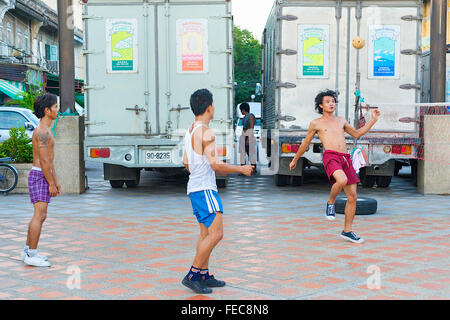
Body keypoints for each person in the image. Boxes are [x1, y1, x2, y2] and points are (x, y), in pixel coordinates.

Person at [182, 89, 253, 294]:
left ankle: (203, 275)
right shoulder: (207, 132)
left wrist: (197, 173)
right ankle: (193, 275)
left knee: (206, 234)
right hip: (205, 189)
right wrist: (241, 168)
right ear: (209, 107)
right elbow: (215, 165)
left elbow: (185, 161)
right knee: (217, 234)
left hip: (196, 188)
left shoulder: (191, 129)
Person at [289, 89, 380, 244]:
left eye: (333, 101)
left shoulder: (341, 120)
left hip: (345, 158)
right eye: (328, 102)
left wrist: (373, 120)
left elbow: (357, 134)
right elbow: (306, 143)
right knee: (342, 180)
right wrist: (295, 159)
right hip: (331, 156)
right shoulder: (316, 123)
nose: (331, 104)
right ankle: (331, 202)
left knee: (353, 197)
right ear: (321, 105)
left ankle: (347, 231)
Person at [22, 94, 61, 267]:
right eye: (55, 107)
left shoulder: (44, 129)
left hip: (41, 174)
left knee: (38, 216)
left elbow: (49, 161)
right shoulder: (43, 132)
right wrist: (51, 182)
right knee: (40, 215)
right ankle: (32, 254)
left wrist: (55, 180)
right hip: (39, 175)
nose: (57, 110)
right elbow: (44, 161)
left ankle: (27, 250)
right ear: (47, 110)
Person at [238, 103, 257, 173]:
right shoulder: (244, 118)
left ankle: (254, 169)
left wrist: (249, 138)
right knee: (242, 154)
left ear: (243, 110)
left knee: (250, 153)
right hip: (243, 137)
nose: (240, 111)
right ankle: (243, 169)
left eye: (241, 110)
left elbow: (251, 128)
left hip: (248, 137)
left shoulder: (251, 116)